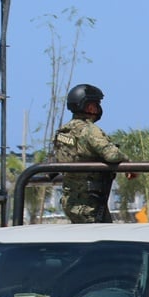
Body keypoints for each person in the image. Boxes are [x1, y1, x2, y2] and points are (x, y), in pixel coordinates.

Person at [52, 84, 128, 223]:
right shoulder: (89, 130)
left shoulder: (63, 131)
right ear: (88, 107)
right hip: (89, 203)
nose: (98, 108)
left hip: (70, 201)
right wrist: (127, 162)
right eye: (96, 104)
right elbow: (111, 155)